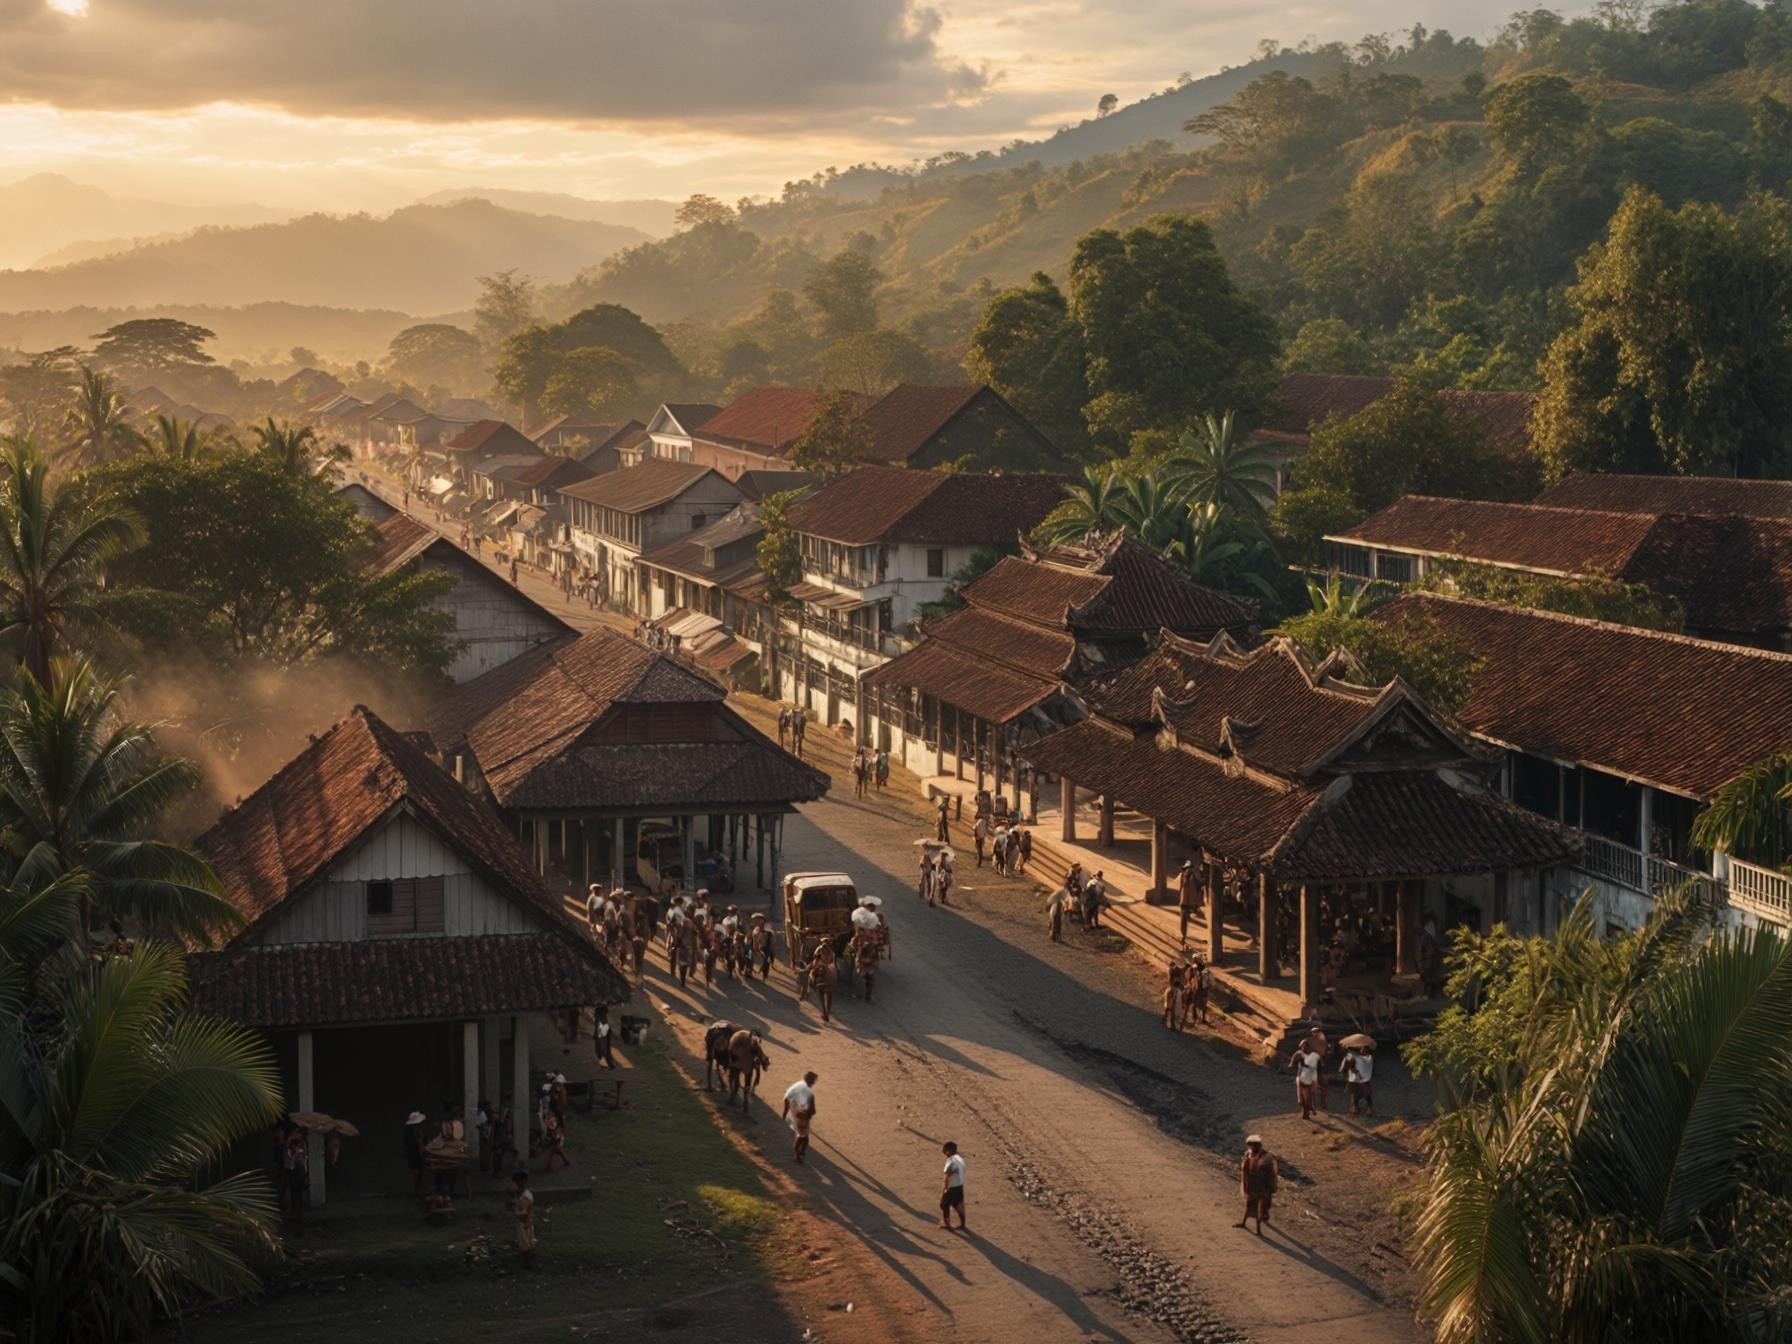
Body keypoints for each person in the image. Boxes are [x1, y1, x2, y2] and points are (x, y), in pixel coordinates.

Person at [1238, 1136, 1279, 1235]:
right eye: (1250, 1146)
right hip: (1251, 1184)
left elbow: (1273, 1173)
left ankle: (1258, 1229)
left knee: (1259, 1208)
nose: (1251, 1148)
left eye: (1253, 1145)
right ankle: (1244, 1223)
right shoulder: (1248, 1154)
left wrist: (1270, 1187)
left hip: (1261, 1186)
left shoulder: (1268, 1157)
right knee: (1249, 1205)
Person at [782, 1070, 818, 1162]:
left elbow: (787, 1096)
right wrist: (808, 1115)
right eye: (813, 1081)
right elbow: (812, 1110)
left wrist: (785, 1112)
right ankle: (798, 1154)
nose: (814, 1083)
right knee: (803, 1136)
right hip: (801, 1116)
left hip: (796, 1112)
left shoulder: (798, 1085)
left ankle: (799, 1153)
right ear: (810, 1080)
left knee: (803, 1135)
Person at [1291, 1038, 1321, 1121]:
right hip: (1300, 1078)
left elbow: (1316, 1067)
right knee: (1300, 1099)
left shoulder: (1313, 1056)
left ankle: (1306, 1112)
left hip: (1310, 1079)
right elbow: (1292, 1065)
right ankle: (1309, 1109)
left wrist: (1306, 1066)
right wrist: (1296, 1062)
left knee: (1308, 1097)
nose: (1304, 1048)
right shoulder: (1299, 1054)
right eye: (1303, 1046)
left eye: (1306, 1046)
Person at [939, 1141, 967, 1230]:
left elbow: (948, 1175)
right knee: (959, 1204)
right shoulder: (960, 1159)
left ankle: (947, 1224)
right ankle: (962, 1224)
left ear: (948, 1151)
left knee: (944, 1205)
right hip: (960, 1186)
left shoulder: (951, 1161)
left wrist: (945, 1188)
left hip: (952, 1187)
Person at [284, 1128, 310, 1223]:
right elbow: (289, 1159)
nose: (297, 1136)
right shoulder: (290, 1144)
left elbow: (303, 1160)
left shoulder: (302, 1145)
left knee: (300, 1195)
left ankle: (299, 1215)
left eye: (298, 1134)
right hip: (293, 1171)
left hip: (300, 1171)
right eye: (295, 1133)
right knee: (294, 1195)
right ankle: (294, 1215)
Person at [809, 940, 837, 1022]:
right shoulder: (830, 952)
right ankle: (826, 1013)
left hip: (824, 969)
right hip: (829, 970)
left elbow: (815, 959)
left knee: (813, 973)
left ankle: (825, 1012)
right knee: (829, 994)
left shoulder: (820, 950)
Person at [512, 1170, 536, 1266]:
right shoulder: (526, 1193)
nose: (516, 1184)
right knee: (529, 1242)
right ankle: (528, 1259)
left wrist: (515, 1209)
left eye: (517, 1181)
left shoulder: (525, 1197)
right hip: (528, 1222)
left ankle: (526, 1264)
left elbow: (523, 1212)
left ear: (524, 1181)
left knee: (525, 1245)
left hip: (523, 1224)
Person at [402, 1110, 428, 1194]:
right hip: (416, 1153)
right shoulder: (417, 1130)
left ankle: (414, 1191)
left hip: (412, 1152)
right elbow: (420, 1143)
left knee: (415, 1171)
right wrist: (423, 1153)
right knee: (417, 1172)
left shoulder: (408, 1130)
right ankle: (414, 1191)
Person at [1345, 1046, 1374, 1116]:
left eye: (1365, 1050)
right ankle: (1356, 1107)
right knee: (1355, 1094)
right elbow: (1352, 1067)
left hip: (1364, 1080)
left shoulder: (1369, 1058)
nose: (1363, 1052)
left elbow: (1366, 1065)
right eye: (1362, 1050)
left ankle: (1369, 1108)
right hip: (1356, 1080)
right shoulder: (1357, 1058)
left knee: (1367, 1095)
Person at [1177, 860, 1200, 941]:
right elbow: (1180, 888)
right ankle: (1183, 935)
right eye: (1188, 868)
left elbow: (1196, 889)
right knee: (1183, 920)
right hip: (1184, 902)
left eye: (1190, 868)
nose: (1189, 870)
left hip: (1189, 902)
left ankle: (1183, 935)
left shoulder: (1193, 877)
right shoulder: (1183, 877)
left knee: (1184, 919)